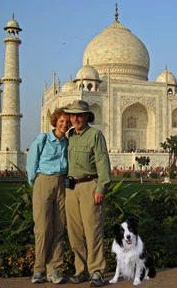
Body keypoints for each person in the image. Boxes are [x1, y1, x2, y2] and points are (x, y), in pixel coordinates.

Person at [64, 100, 111, 287]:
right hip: (71, 188)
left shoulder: (95, 135)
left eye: (79, 115)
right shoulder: (70, 136)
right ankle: (80, 270)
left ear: (86, 117)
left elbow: (102, 161)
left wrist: (100, 188)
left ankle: (97, 271)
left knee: (93, 231)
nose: (75, 118)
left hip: (89, 186)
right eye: (72, 115)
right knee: (75, 233)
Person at [26, 108, 71, 284]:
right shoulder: (42, 139)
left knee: (59, 228)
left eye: (67, 122)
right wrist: (36, 183)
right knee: (43, 229)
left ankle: (54, 270)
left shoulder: (67, 142)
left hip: (62, 183)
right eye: (61, 121)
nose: (64, 124)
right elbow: (32, 164)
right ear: (55, 121)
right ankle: (38, 270)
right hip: (43, 182)